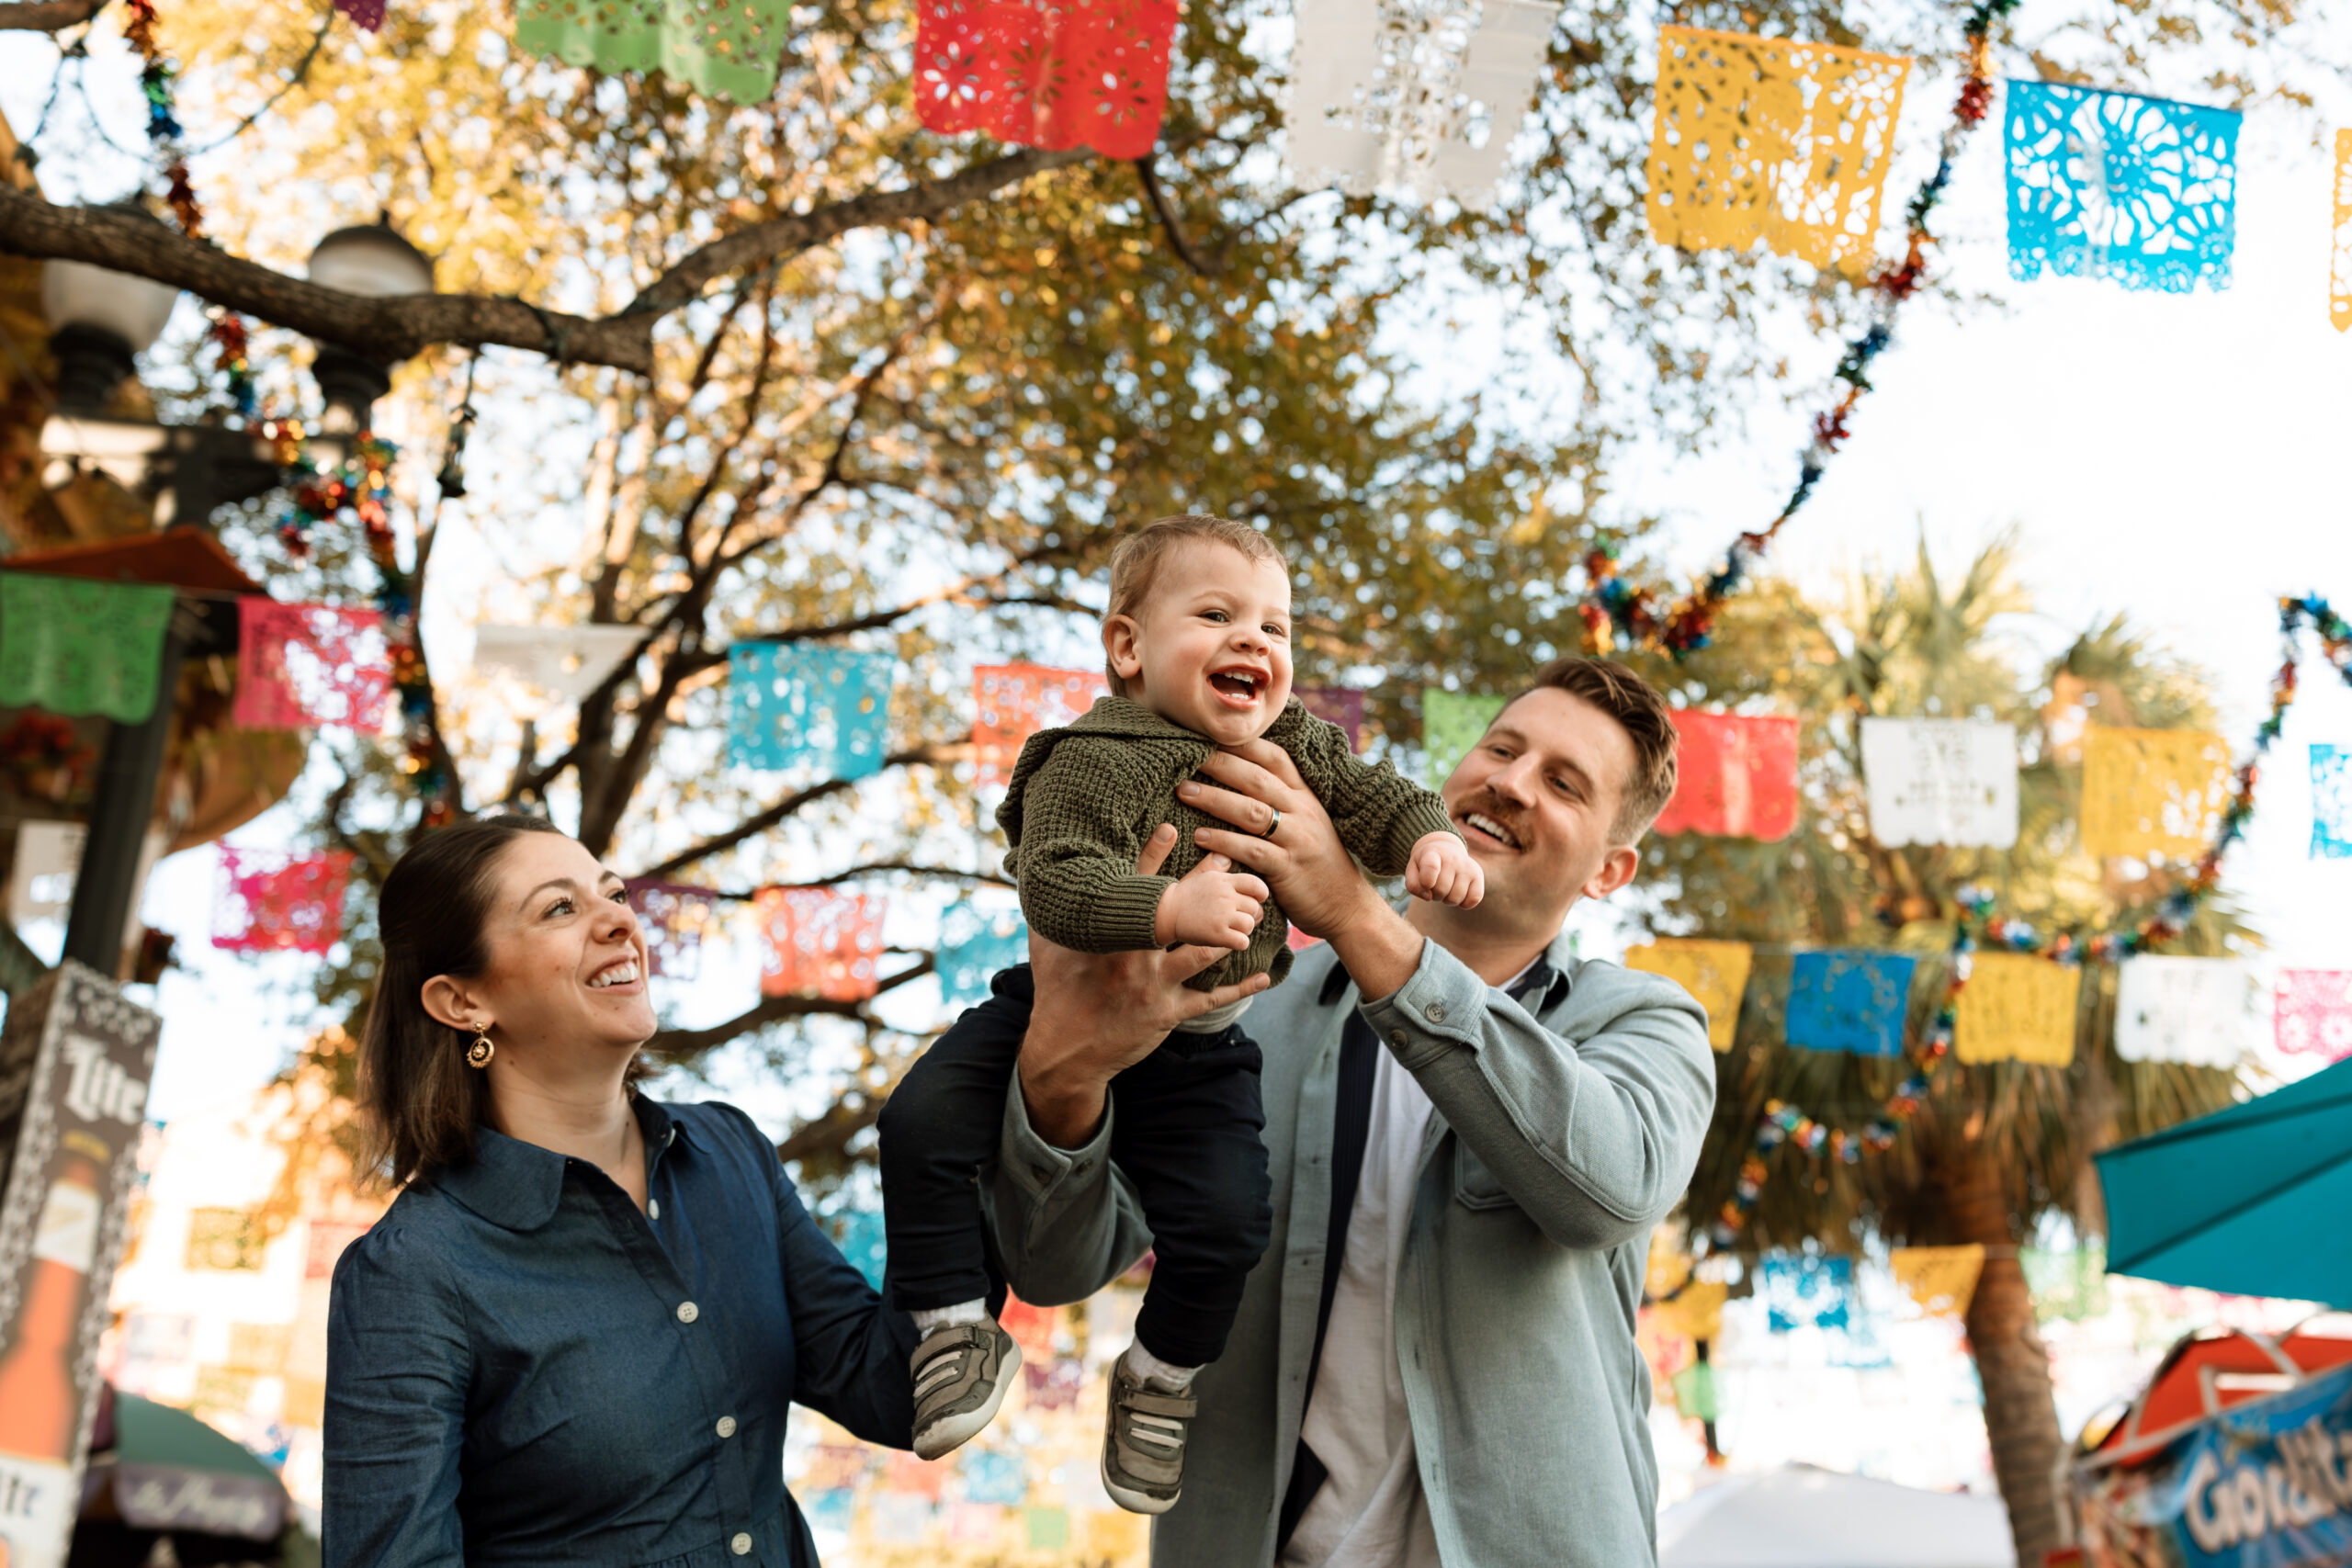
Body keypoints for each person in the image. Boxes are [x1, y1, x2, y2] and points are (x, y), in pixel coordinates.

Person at [982, 655, 1718, 1568]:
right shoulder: (1245, 1003)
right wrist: (1065, 1075)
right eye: (1501, 748)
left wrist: (1351, 911)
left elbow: (1604, 1189)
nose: (1511, 784)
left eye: (1563, 783)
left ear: (1610, 869)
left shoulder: (1642, 1022)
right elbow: (1054, 1264)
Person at [878, 515, 1481, 1510]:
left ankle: (1160, 1381)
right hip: (1057, 1009)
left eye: (1276, 628)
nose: (1256, 642)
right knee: (919, 1120)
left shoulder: (1299, 748)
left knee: (1231, 1217)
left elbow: (1373, 797)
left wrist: (1425, 838)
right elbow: (1055, 881)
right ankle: (951, 1325)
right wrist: (1163, 906)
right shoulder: (1091, 753)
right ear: (1128, 647)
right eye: (1217, 615)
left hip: (1201, 1045)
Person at [322, 815, 916, 1567]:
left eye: (614, 893)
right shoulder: (414, 1269)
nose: (620, 920)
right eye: (560, 908)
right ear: (462, 1002)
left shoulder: (731, 1155)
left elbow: (895, 1389)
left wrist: (963, 1139)